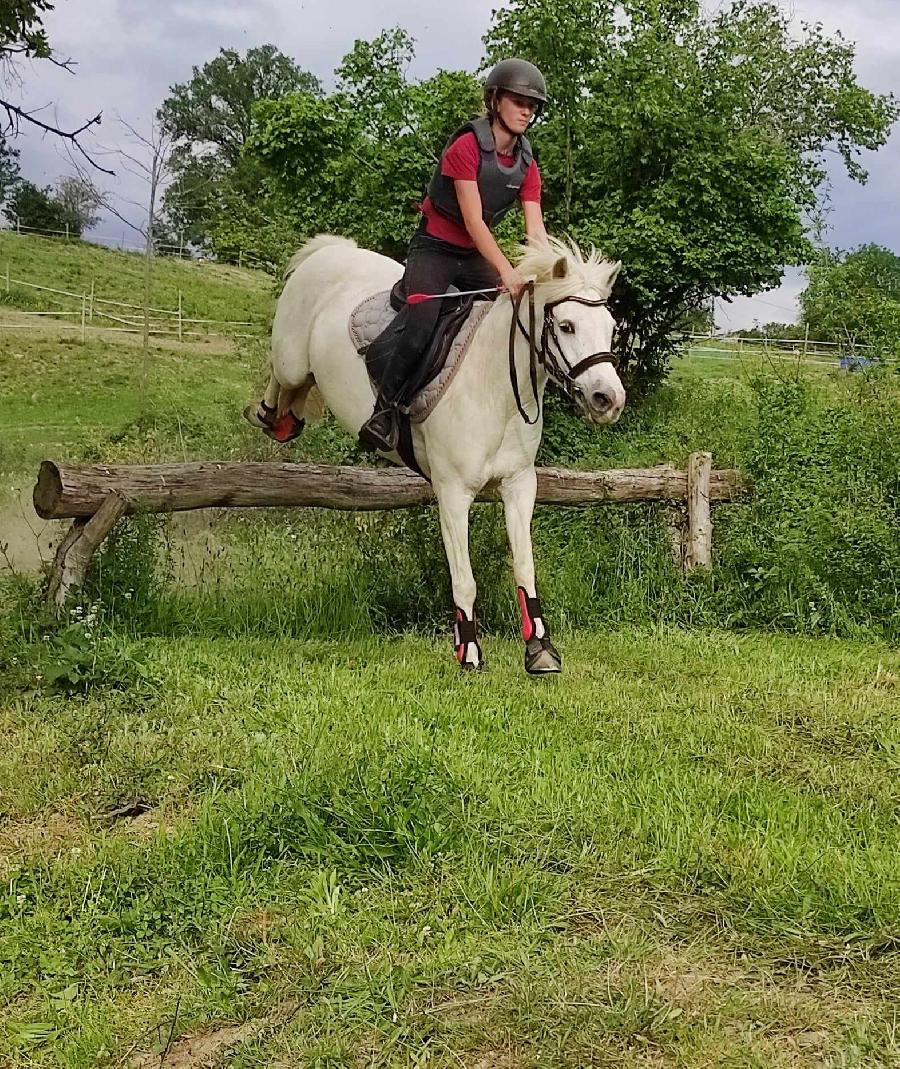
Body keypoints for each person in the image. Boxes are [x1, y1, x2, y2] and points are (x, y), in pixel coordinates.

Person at [356, 58, 551, 453]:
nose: (526, 110)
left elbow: (536, 230)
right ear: (495, 100)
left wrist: (546, 274)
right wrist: (508, 272)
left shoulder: (528, 163)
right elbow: (475, 222)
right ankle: (385, 410)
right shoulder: (465, 146)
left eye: (533, 104)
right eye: (518, 100)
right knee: (424, 318)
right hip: (435, 248)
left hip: (473, 257)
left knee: (512, 318)